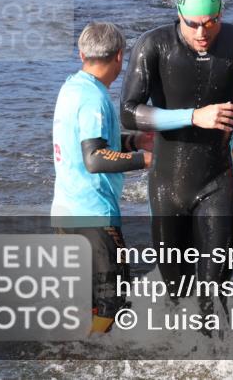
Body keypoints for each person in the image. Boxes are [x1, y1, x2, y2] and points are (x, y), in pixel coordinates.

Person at [121, 0, 233, 318]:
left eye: (210, 23)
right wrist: (193, 116)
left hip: (217, 181)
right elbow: (129, 112)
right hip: (168, 186)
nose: (201, 33)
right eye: (192, 24)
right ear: (178, 14)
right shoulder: (153, 45)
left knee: (214, 292)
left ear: (221, 14)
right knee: (177, 293)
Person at [52, 22, 154, 334]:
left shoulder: (72, 87)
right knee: (115, 302)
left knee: (86, 302)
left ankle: (72, 355)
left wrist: (135, 141)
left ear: (82, 53)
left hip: (65, 214)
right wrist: (147, 159)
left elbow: (90, 142)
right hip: (94, 216)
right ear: (120, 57)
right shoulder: (94, 99)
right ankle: (89, 359)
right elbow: (95, 158)